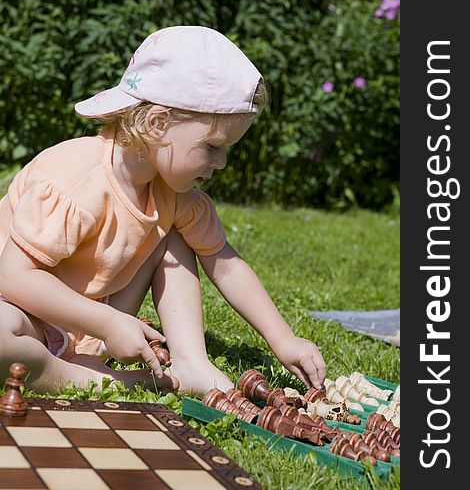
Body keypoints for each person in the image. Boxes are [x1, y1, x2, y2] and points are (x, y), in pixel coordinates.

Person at [0, 26, 326, 397]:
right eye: (213, 146)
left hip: (87, 323)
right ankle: (96, 379)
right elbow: (12, 277)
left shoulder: (175, 193)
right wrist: (108, 322)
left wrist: (284, 340)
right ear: (158, 123)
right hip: (22, 310)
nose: (221, 163)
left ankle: (191, 362)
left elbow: (226, 263)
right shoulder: (75, 178)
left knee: (174, 233)